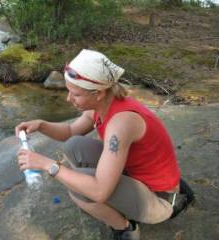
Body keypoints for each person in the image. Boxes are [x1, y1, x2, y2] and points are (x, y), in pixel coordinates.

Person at [15, 49, 191, 240]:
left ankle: (125, 228)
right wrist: (41, 125)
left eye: (76, 94)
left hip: (160, 199)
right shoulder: (103, 104)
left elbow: (99, 191)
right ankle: (114, 206)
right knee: (74, 145)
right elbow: (71, 131)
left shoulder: (121, 123)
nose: (69, 99)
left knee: (78, 188)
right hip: (137, 176)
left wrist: (47, 165)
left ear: (98, 93)